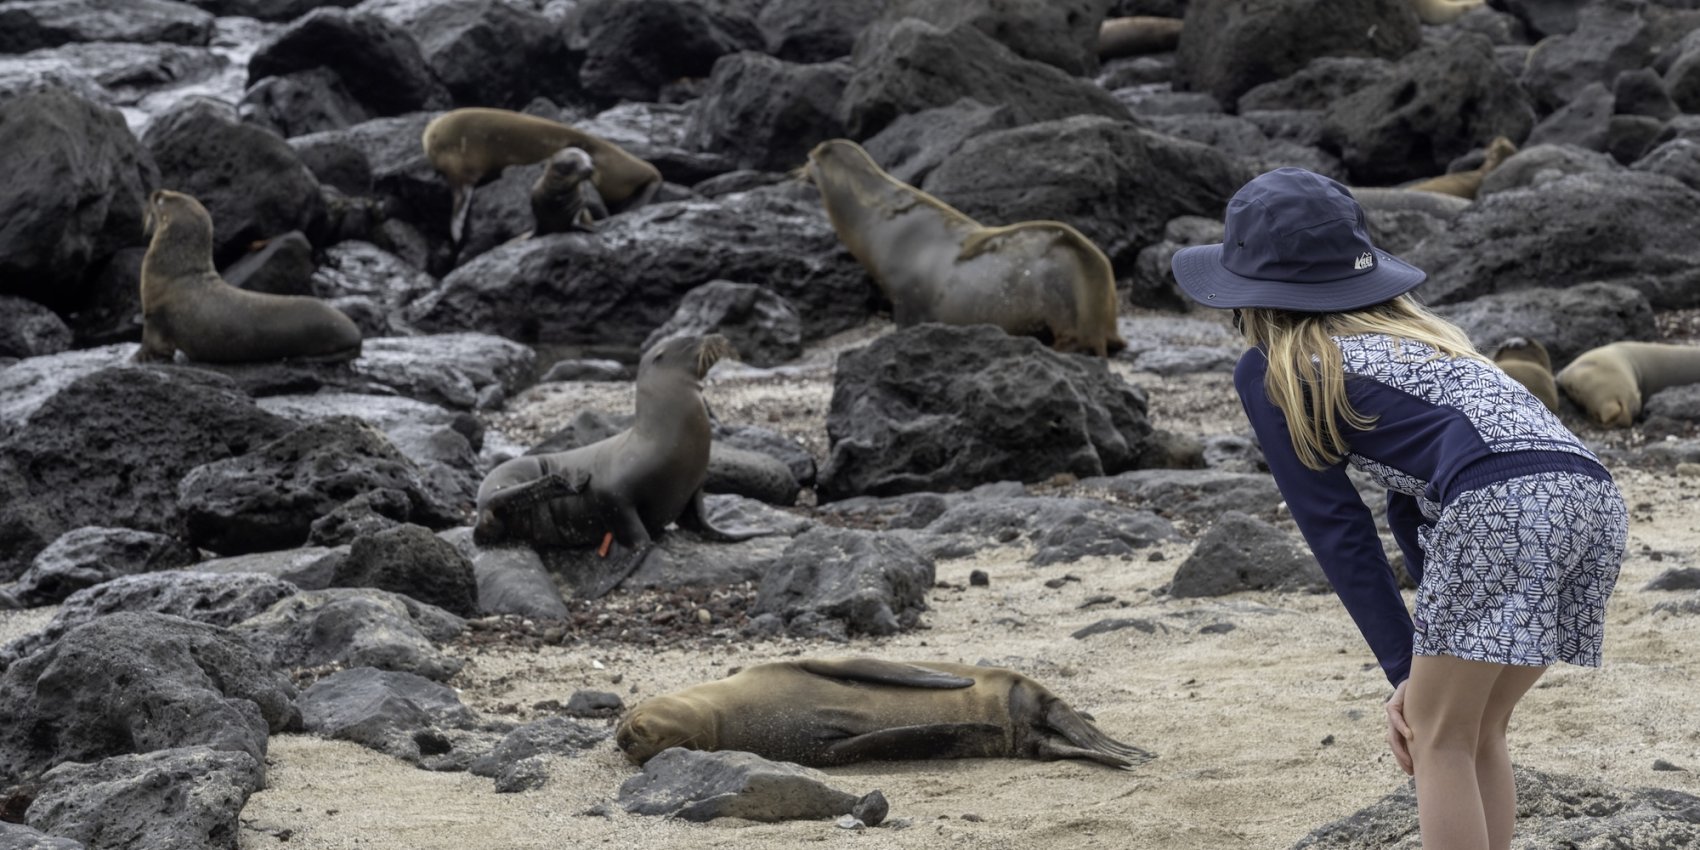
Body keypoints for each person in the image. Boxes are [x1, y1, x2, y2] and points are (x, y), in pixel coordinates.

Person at [1170, 168, 1628, 850]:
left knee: (1435, 738)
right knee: (1475, 731)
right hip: (1591, 500)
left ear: (1249, 297)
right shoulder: (1432, 342)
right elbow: (1416, 501)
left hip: (1497, 505)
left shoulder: (1273, 369)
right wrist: (1423, 656)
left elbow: (1337, 526)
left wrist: (1405, 672)